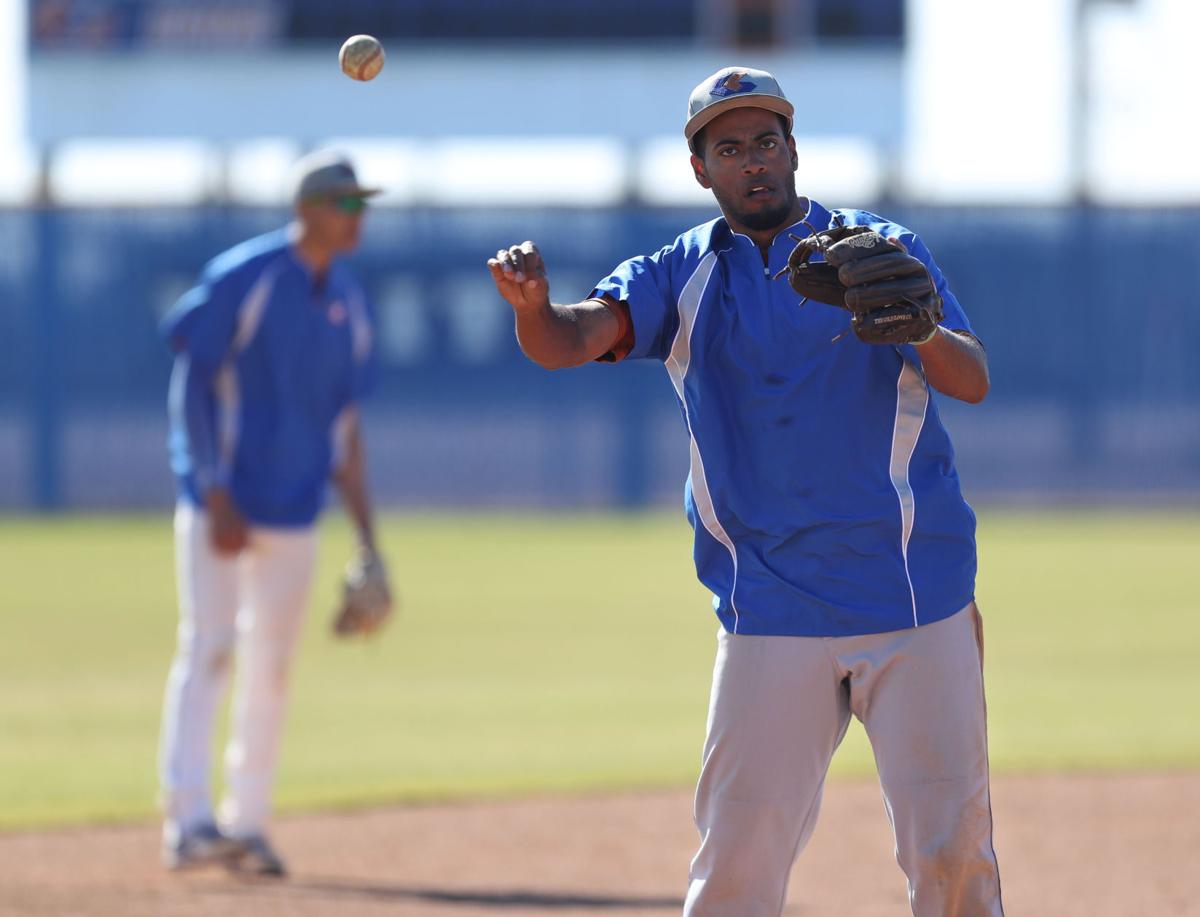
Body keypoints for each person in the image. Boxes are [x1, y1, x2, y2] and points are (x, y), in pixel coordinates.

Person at [487, 67, 1003, 916]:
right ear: (702, 171)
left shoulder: (877, 247)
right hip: (770, 607)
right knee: (733, 870)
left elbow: (972, 377)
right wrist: (532, 307)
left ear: (793, 149)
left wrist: (922, 327)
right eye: (730, 147)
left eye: (767, 141)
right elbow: (572, 338)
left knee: (952, 858)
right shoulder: (680, 274)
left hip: (916, 594)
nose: (753, 160)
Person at [156, 151, 386, 877]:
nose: (359, 217)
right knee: (210, 648)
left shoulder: (349, 302)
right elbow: (191, 383)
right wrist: (210, 488)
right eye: (347, 204)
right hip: (223, 505)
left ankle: (246, 822)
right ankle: (187, 820)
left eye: (362, 205)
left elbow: (345, 431)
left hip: (294, 511)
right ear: (310, 207)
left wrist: (368, 542)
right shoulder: (246, 276)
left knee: (273, 666)